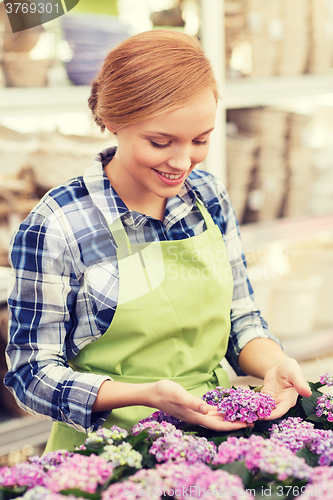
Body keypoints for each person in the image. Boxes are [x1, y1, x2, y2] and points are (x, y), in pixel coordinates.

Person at [5, 30, 311, 452]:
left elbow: (241, 318)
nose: (183, 161)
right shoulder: (58, 225)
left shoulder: (209, 197)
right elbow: (30, 374)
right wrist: (144, 394)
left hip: (212, 436)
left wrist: (275, 365)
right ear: (113, 121)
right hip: (106, 455)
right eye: (160, 142)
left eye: (200, 140)